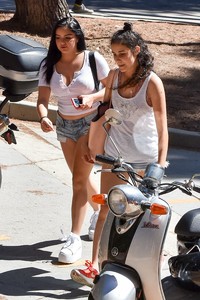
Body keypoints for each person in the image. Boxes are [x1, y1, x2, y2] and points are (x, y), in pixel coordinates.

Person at [70, 21, 169, 287]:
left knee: (147, 217)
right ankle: (95, 266)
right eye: (114, 54)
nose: (118, 60)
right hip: (115, 157)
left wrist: (159, 165)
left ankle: (149, 268)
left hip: (143, 160)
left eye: (122, 54)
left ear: (137, 50)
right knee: (105, 210)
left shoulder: (152, 82)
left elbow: (163, 129)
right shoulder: (114, 77)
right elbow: (106, 105)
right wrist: (93, 103)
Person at [37, 16, 110, 264]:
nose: (62, 42)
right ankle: (100, 212)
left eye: (68, 37)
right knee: (80, 177)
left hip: (91, 123)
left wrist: (92, 99)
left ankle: (74, 239)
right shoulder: (49, 64)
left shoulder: (92, 59)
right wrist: (44, 117)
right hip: (63, 125)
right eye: (58, 38)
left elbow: (111, 89)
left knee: (78, 180)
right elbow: (42, 100)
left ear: (77, 37)